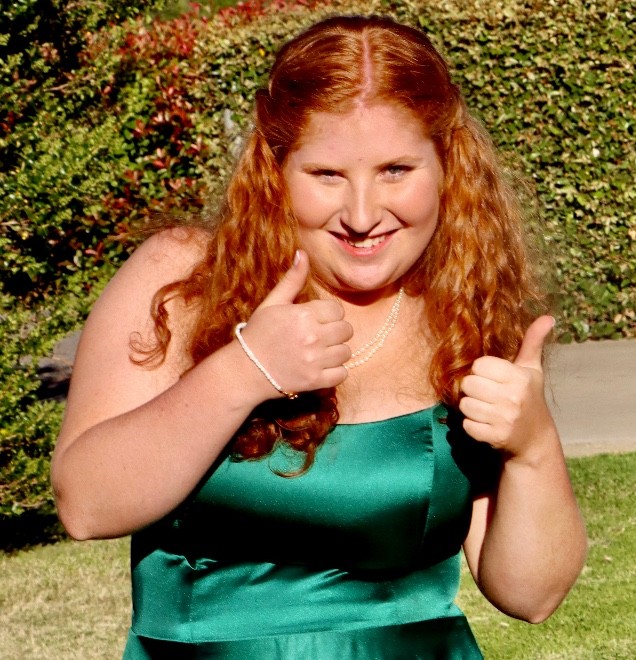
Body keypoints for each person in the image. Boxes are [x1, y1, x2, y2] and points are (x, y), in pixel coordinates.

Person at [51, 14, 587, 659]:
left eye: (396, 170)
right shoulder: (184, 279)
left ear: (449, 165)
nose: (362, 215)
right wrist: (241, 371)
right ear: (275, 169)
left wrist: (533, 448)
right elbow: (86, 506)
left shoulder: (466, 309)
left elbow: (532, 596)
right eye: (327, 174)